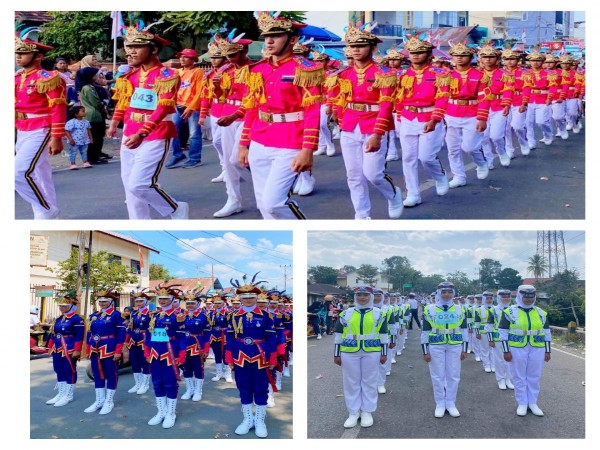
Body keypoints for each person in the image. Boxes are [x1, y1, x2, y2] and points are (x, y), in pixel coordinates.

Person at [238, 11, 323, 220]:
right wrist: (243, 143)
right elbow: (252, 108)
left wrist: (307, 149)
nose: (269, 40)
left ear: (293, 40)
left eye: (276, 35)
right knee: (263, 205)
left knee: (274, 203)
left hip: (290, 140)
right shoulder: (257, 69)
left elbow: (312, 111)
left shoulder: (306, 69)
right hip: (260, 138)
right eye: (266, 36)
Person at [108, 24, 189, 220]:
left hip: (156, 132)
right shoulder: (129, 75)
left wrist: (143, 132)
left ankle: (176, 208)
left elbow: (163, 107)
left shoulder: (167, 76)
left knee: (140, 184)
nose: (131, 51)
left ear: (153, 49)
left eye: (137, 46)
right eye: (129, 47)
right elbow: (123, 101)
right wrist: (114, 123)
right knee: (129, 186)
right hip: (129, 130)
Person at [326, 24, 404, 220]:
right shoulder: (343, 74)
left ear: (373, 48)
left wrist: (378, 134)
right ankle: (361, 215)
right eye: (352, 46)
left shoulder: (384, 73)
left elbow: (387, 105)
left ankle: (393, 194)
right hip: (350, 126)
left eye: (361, 45)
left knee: (373, 174)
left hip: (373, 125)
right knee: (354, 176)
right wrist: (338, 116)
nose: (355, 49)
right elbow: (340, 99)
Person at [15, 32, 66, 220]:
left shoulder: (49, 78)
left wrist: (57, 136)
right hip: (21, 128)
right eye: (16, 53)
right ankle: (46, 214)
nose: (18, 56)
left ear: (38, 56)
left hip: (41, 127)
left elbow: (58, 108)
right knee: (41, 173)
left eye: (23, 53)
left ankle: (46, 209)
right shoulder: (17, 78)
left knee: (18, 173)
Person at [396, 36, 451, 207]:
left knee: (426, 157)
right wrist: (399, 116)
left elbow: (443, 97)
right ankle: (413, 193)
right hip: (408, 117)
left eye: (420, 52)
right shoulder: (401, 74)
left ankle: (439, 176)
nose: (415, 55)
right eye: (412, 52)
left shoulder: (440, 74)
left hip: (430, 116)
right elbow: (398, 97)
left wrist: (435, 119)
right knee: (408, 158)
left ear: (428, 54)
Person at [226, 274, 277, 438]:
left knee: (261, 388)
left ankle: (260, 420)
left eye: (251, 297)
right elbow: (230, 338)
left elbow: (271, 338)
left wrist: (272, 358)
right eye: (245, 297)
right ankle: (248, 419)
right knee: (244, 388)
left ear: (256, 298)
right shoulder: (233, 316)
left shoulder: (267, 316)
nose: (248, 300)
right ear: (240, 298)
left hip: (260, 355)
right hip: (240, 356)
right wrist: (230, 358)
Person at [334, 285, 389, 428]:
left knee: (369, 381)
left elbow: (384, 334)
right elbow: (338, 335)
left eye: (365, 295)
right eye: (359, 295)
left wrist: (384, 353)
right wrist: (336, 354)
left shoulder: (379, 313)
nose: (362, 298)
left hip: (372, 350)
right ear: (355, 297)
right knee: (351, 382)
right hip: (349, 350)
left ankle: (367, 411)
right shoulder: (346, 313)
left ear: (371, 296)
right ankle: (353, 412)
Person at [499, 285, 551, 416]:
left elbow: (547, 332)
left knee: (534, 376)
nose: (528, 299)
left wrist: (547, 351)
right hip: (517, 347)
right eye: (525, 296)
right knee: (519, 376)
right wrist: (506, 351)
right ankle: (522, 403)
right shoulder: (509, 312)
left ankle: (533, 403)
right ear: (519, 296)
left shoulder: (541, 312)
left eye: (531, 296)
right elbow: (503, 332)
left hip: (537, 347)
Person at [445, 42, 490, 188]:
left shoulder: (480, 76)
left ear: (470, 57)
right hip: (451, 112)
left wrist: (482, 118)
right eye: (456, 55)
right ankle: (459, 176)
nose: (459, 58)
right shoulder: (446, 76)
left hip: (472, 113)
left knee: (469, 147)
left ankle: (481, 163)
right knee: (453, 148)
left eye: (463, 55)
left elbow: (485, 97)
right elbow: (441, 96)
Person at [421, 282, 469, 418]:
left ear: (453, 294)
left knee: (453, 375)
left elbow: (464, 330)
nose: (447, 295)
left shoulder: (461, 309)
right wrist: (425, 351)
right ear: (439, 293)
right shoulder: (429, 309)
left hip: (455, 344)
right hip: (436, 344)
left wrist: (465, 349)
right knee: (437, 375)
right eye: (444, 292)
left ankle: (451, 403)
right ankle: (440, 403)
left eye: (449, 292)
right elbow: (425, 331)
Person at [145, 284, 187, 428]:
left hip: (171, 352)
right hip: (155, 353)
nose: (162, 301)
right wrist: (147, 351)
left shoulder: (178, 316)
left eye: (165, 298)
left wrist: (181, 355)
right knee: (157, 382)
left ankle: (170, 413)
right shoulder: (154, 315)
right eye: (160, 298)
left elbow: (182, 338)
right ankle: (161, 412)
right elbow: (148, 335)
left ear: (172, 299)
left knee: (170, 383)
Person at [84, 288, 126, 415]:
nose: (102, 303)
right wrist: (87, 348)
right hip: (95, 347)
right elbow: (89, 332)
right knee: (97, 374)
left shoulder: (116, 315)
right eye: (100, 301)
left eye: (104, 301)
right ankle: (99, 400)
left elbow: (121, 333)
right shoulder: (94, 315)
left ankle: (109, 401)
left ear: (111, 302)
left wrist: (118, 351)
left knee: (111, 373)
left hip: (109, 347)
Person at [194, 38, 228, 182]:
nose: (214, 60)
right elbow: (205, 96)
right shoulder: (209, 75)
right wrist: (202, 114)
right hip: (215, 111)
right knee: (217, 142)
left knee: (225, 143)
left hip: (228, 111)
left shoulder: (230, 71)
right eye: (212, 57)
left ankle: (232, 169)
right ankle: (224, 168)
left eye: (217, 57)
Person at [165, 49, 204, 169]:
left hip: (193, 107)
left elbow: (200, 91)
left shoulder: (198, 72)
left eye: (185, 57)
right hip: (178, 106)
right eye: (181, 56)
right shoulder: (177, 72)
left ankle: (195, 158)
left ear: (193, 59)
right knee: (173, 131)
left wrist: (192, 107)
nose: (182, 59)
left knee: (194, 134)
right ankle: (178, 155)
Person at [45, 291, 85, 407]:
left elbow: (79, 335)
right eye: (60, 306)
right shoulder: (58, 319)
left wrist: (77, 350)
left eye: (64, 306)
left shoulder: (77, 319)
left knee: (69, 370)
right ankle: (61, 393)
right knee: (58, 370)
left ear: (71, 306)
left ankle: (68, 395)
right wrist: (50, 346)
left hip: (70, 347)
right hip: (57, 347)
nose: (61, 308)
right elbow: (53, 333)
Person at [180, 290, 211, 402]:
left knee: (198, 368)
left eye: (192, 303)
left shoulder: (203, 317)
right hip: (183, 346)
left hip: (198, 345)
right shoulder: (181, 316)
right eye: (188, 303)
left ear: (197, 304)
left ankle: (198, 390)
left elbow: (207, 333)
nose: (190, 305)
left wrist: (206, 349)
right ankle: (190, 389)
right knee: (185, 368)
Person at [525, 50, 557, 149]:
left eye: (538, 60)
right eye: (533, 60)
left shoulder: (550, 73)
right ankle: (531, 141)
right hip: (529, 99)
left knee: (541, 121)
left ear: (542, 62)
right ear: (529, 62)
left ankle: (548, 135)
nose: (535, 62)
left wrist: (550, 97)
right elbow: (525, 87)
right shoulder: (525, 73)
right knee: (527, 122)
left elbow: (553, 87)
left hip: (543, 99)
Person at [125, 288, 153, 395]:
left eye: (141, 301)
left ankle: (145, 384)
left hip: (144, 340)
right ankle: (138, 383)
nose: (138, 303)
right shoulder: (133, 314)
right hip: (133, 340)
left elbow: (153, 329)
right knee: (134, 362)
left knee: (145, 362)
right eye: (136, 301)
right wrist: (126, 341)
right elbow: (130, 328)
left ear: (146, 302)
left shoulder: (151, 313)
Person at [487, 289, 515, 390]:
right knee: (499, 360)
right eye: (503, 297)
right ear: (499, 298)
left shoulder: (514, 309)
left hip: (511, 338)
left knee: (510, 360)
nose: (506, 299)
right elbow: (488, 326)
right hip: (498, 338)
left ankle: (508, 379)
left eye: (508, 296)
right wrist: (490, 340)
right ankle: (500, 379)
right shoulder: (493, 310)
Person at [208, 295, 233, 382]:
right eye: (216, 303)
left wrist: (225, 330)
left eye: (219, 303)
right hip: (214, 336)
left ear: (223, 303)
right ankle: (219, 373)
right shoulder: (211, 314)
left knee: (226, 355)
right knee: (217, 355)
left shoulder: (228, 314)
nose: (217, 305)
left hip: (225, 337)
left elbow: (232, 326)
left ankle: (228, 374)